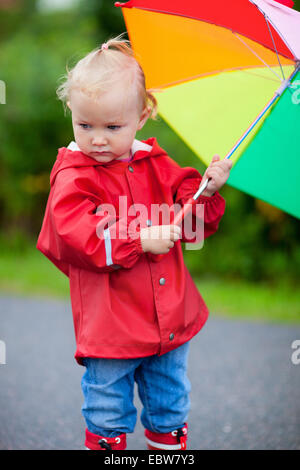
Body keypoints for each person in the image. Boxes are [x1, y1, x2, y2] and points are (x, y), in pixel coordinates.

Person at [37, 35, 232, 451]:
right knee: (108, 410)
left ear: (142, 116)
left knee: (170, 405)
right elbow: (77, 235)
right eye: (85, 125)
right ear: (71, 112)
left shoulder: (158, 165)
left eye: (112, 127)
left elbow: (194, 221)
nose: (98, 139)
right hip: (110, 329)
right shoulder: (74, 177)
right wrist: (139, 237)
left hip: (168, 322)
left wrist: (207, 191)